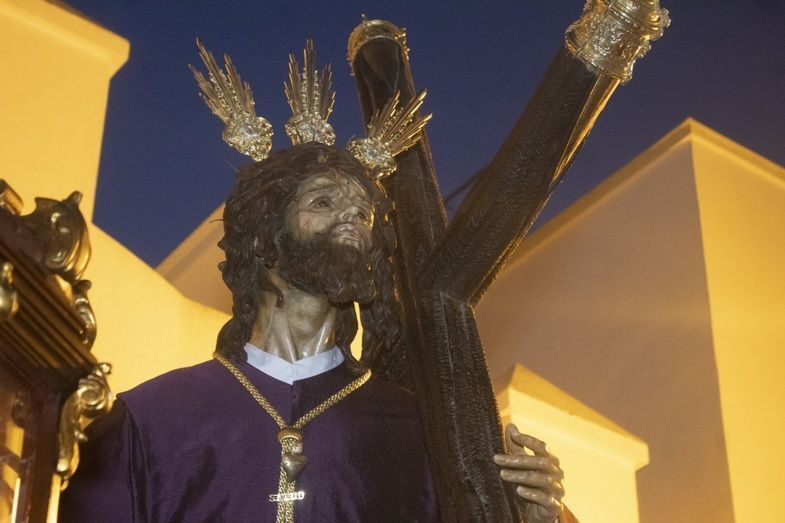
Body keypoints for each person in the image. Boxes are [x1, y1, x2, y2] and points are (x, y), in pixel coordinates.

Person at [59, 143, 571, 522]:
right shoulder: (151, 421)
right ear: (263, 238)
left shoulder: (421, 430)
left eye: (363, 212)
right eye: (323, 202)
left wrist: (537, 518)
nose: (352, 216)